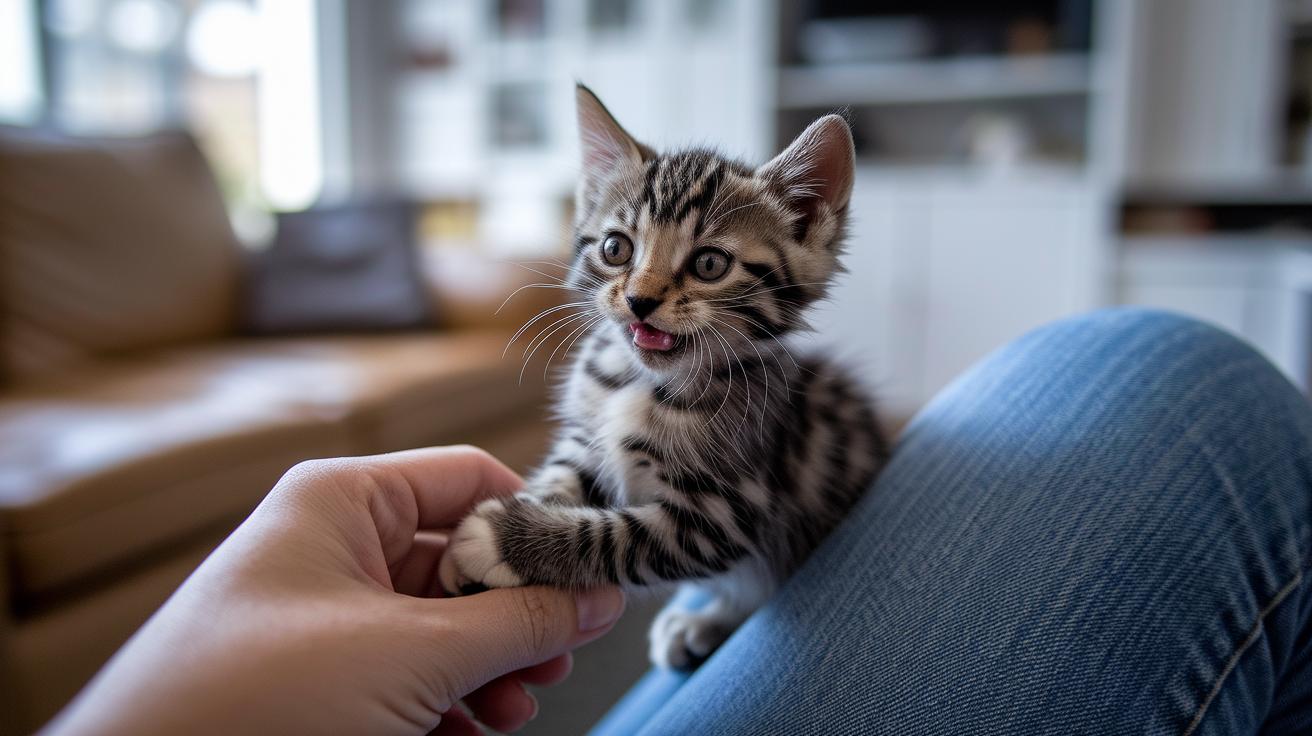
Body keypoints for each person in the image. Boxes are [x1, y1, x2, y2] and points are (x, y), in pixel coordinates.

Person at [46, 309, 1312, 735]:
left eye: (699, 265)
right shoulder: (626, 362)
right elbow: (593, 483)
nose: (645, 294)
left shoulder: (739, 390)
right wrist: (545, 525)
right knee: (1177, 379)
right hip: (762, 566)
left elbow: (688, 524)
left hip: (768, 560)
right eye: (622, 256)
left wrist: (535, 538)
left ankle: (742, 620)